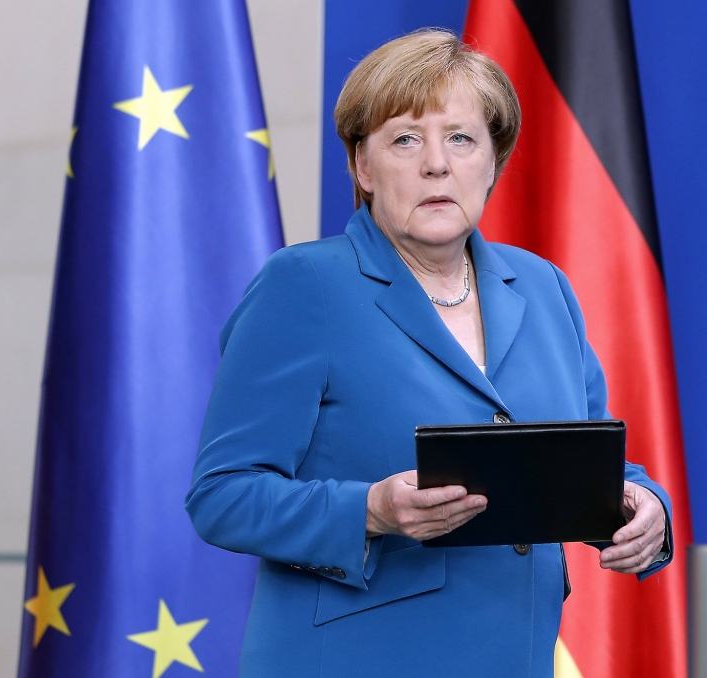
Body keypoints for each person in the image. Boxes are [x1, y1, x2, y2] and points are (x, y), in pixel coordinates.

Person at [185, 29, 672, 677]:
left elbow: (580, 459)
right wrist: (370, 511)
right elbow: (222, 495)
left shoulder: (543, 286)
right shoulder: (303, 286)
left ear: (492, 162)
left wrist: (643, 508)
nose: (436, 164)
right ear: (362, 166)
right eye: (406, 139)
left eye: (462, 139)